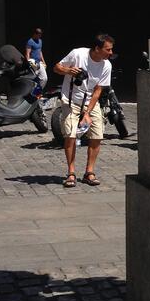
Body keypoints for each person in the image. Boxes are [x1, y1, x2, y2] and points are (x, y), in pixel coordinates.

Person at [53, 34, 115, 188]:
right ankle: (71, 172)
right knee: (70, 135)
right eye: (108, 49)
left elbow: (98, 91)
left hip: (90, 103)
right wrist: (68, 70)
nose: (111, 52)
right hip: (71, 101)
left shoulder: (106, 65)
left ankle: (89, 172)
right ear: (97, 48)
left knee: (97, 135)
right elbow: (56, 68)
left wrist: (87, 113)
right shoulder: (78, 54)